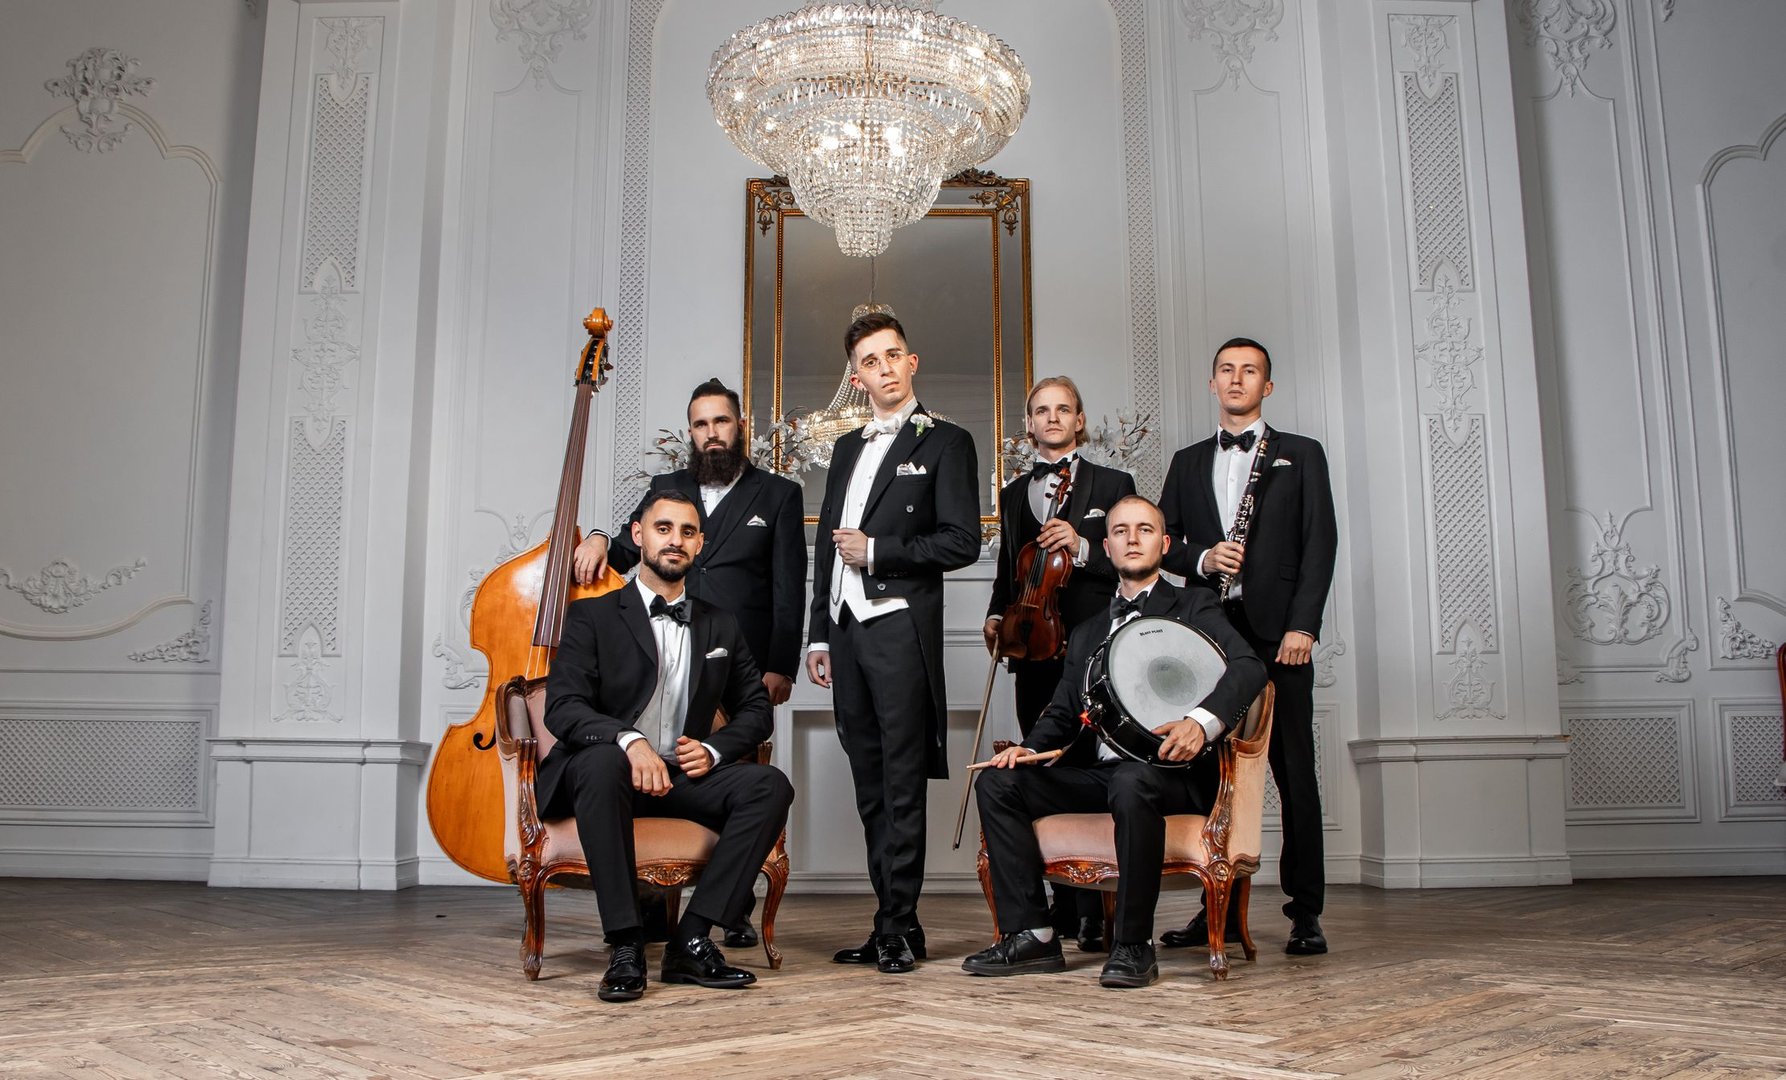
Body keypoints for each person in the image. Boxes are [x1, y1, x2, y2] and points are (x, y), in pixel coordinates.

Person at [964, 494, 1265, 987]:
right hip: (1099, 773)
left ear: (1164, 544)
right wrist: (1028, 749)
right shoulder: (1087, 632)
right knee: (999, 784)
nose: (1132, 539)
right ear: (1106, 547)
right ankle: (1034, 935)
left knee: (1131, 781)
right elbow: (1063, 709)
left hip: (1172, 774)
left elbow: (1250, 667)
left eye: (1145, 529)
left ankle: (1132, 944)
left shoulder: (1195, 604)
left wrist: (1200, 722)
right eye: (1121, 531)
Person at [575, 378, 805, 948]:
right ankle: (649, 912)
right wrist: (599, 537)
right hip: (657, 646)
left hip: (735, 657)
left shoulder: (778, 494)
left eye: (720, 421)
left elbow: (788, 587)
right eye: (701, 425)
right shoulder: (668, 488)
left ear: (739, 427)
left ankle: (730, 910)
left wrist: (781, 664)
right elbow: (627, 548)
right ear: (691, 433)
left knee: (726, 771)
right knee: (652, 767)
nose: (711, 433)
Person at [541, 490, 795, 1002]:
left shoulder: (720, 623)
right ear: (638, 535)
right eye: (663, 528)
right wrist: (628, 740)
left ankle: (691, 940)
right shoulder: (591, 616)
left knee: (770, 785)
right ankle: (626, 944)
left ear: (699, 544)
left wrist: (715, 750)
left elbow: (755, 710)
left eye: (687, 532)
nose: (675, 540)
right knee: (601, 761)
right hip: (604, 778)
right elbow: (563, 707)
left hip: (680, 778)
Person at [805, 311, 980, 974]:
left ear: (912, 362)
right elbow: (826, 548)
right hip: (845, 630)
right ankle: (891, 922)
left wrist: (879, 550)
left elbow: (962, 541)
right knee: (870, 783)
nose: (884, 368)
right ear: (857, 378)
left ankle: (899, 928)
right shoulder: (847, 449)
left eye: (892, 355)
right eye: (870, 361)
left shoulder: (947, 441)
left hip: (899, 625)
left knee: (903, 781)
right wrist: (818, 635)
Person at [1158, 337, 1338, 956]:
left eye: (1250, 371)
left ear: (1268, 385)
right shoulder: (1186, 462)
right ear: (1212, 383)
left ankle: (1305, 913)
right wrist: (1204, 558)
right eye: (1227, 371)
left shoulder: (1301, 454)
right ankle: (1217, 910)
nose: (1237, 380)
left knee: (1293, 772)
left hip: (1279, 635)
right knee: (1212, 777)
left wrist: (1303, 626)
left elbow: (1320, 544)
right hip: (1210, 635)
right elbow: (1164, 540)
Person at [982, 376, 1135, 952]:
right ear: (1029, 424)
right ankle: (1061, 905)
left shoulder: (1113, 484)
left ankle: (1095, 908)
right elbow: (1010, 568)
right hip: (1034, 647)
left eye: (1063, 409)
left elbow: (1129, 559)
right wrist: (996, 615)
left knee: (1090, 764)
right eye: (1041, 410)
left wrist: (1083, 545)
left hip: (1094, 650)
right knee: (1042, 765)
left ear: (1079, 420)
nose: (1052, 418)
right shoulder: (1012, 493)